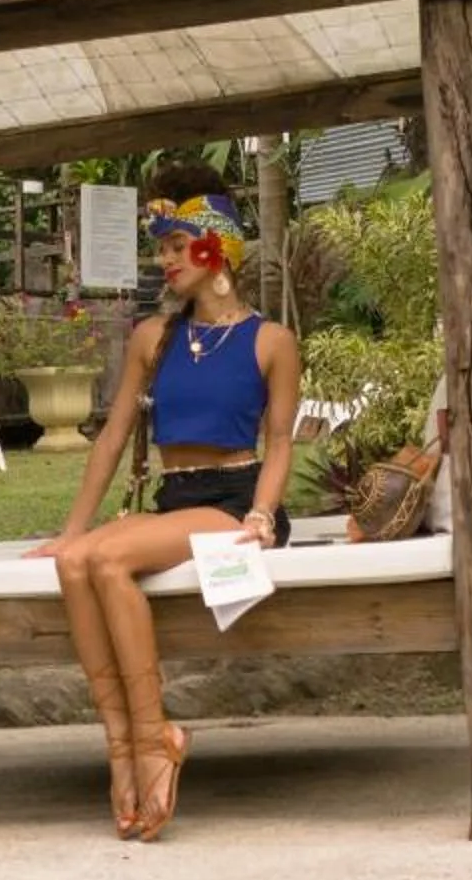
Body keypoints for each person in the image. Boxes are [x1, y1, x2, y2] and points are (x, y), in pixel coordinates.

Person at [28, 164, 301, 840]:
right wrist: (71, 530)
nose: (165, 259)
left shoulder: (272, 342)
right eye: (163, 246)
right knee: (76, 563)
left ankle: (154, 740)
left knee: (110, 561)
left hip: (236, 500)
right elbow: (113, 437)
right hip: (178, 498)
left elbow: (281, 442)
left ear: (220, 252)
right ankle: (122, 748)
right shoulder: (154, 338)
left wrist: (263, 516)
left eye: (179, 245)